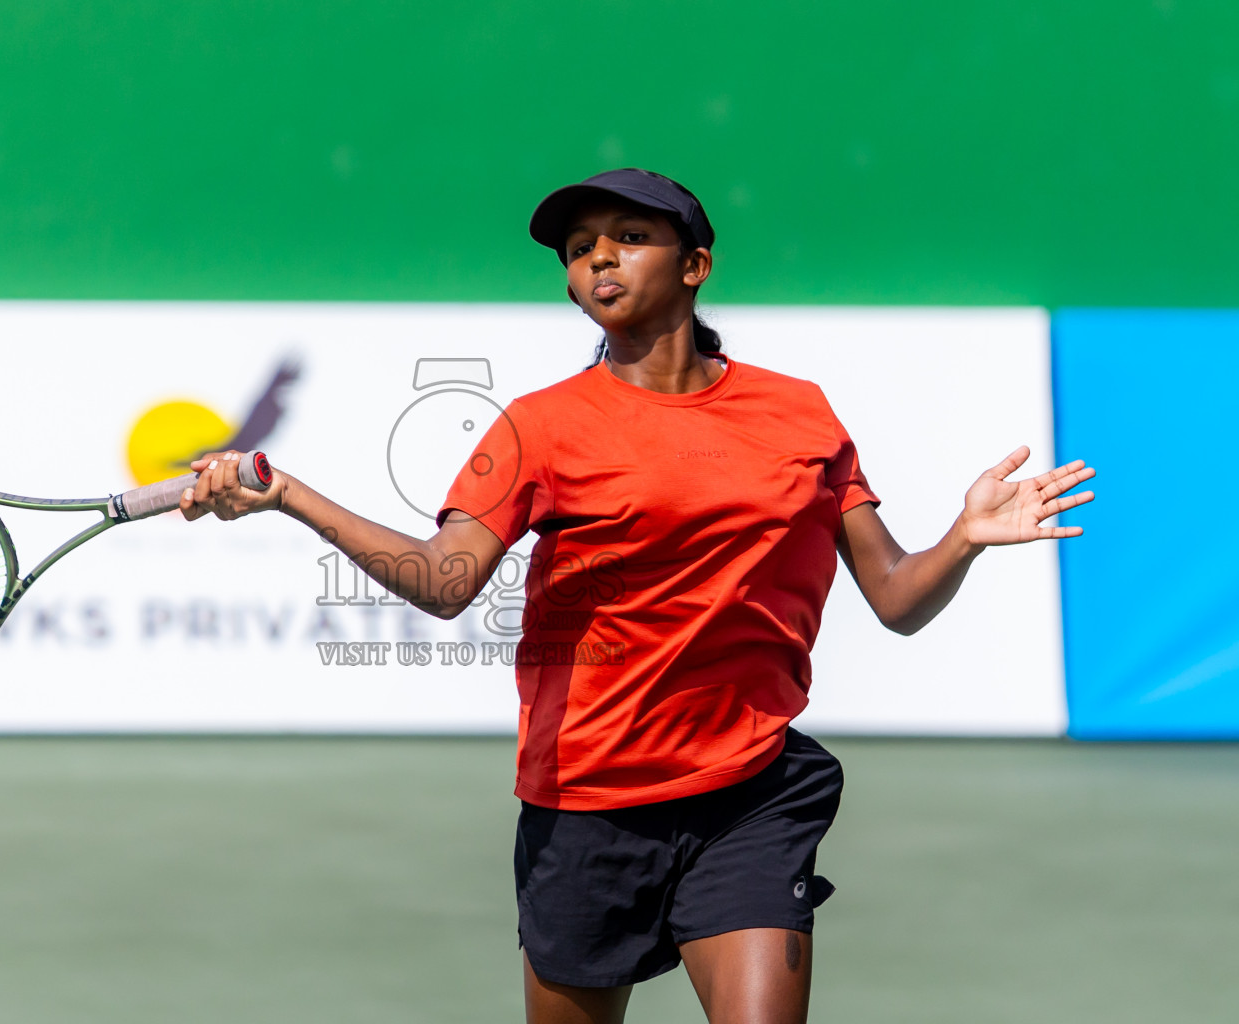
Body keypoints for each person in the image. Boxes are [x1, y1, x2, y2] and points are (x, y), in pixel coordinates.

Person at [178, 168, 1096, 1024]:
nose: (599, 257)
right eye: (580, 249)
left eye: (628, 236)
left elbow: (895, 596)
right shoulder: (539, 428)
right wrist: (290, 494)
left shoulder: (799, 413)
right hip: (588, 805)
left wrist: (964, 539)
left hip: (750, 792)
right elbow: (446, 581)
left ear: (696, 266)